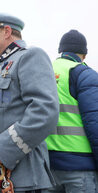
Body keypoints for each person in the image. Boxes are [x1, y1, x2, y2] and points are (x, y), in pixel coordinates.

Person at [0, 13, 59, 193]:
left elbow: (45, 112)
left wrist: (2, 149)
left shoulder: (30, 56)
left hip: (20, 175)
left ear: (7, 31)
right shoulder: (3, 65)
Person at [45, 30, 98, 193]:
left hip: (46, 167)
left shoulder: (44, 72)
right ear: (84, 55)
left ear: (61, 50)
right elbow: (95, 125)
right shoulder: (84, 74)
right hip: (80, 168)